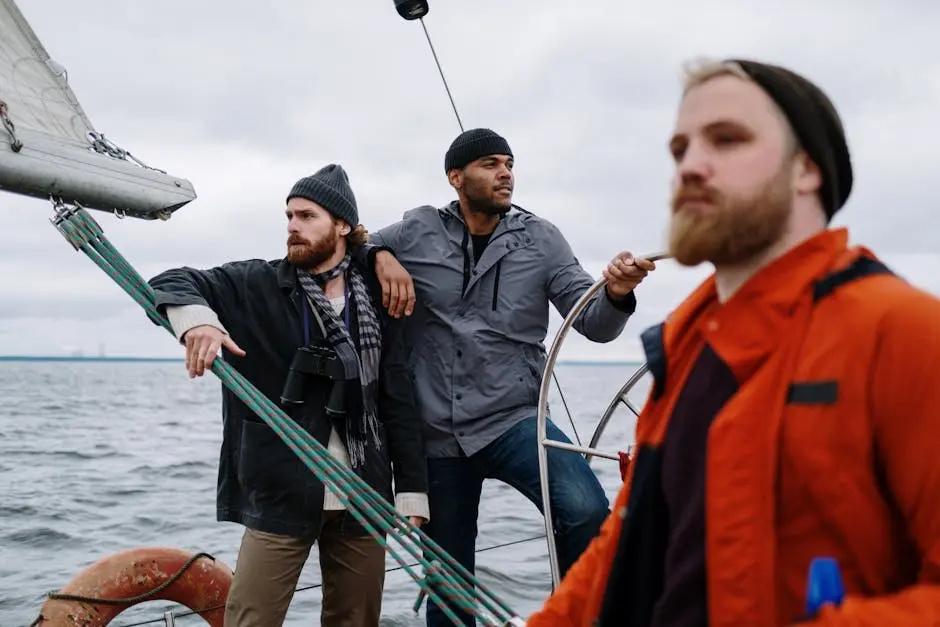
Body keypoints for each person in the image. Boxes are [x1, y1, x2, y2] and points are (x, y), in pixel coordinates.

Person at [523, 56, 940, 627]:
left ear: (807, 169)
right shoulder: (685, 346)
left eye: (727, 140)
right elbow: (626, 544)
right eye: (679, 149)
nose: (691, 165)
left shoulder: (905, 333)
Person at [353, 128, 655, 626]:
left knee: (584, 511)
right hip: (437, 433)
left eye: (509, 163)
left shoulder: (542, 239)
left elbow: (593, 323)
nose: (506, 173)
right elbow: (359, 243)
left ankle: (579, 617)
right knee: (447, 583)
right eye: (490, 164)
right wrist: (380, 256)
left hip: (513, 418)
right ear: (456, 177)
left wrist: (618, 292)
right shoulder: (415, 231)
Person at [147, 164, 429, 627]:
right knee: (250, 618)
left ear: (341, 226)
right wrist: (199, 321)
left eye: (306, 216)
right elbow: (174, 279)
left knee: (356, 620)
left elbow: (397, 397)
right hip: (280, 487)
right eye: (289, 216)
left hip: (365, 488)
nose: (292, 226)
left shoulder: (378, 299)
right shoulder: (257, 284)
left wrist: (412, 492)